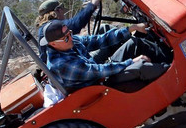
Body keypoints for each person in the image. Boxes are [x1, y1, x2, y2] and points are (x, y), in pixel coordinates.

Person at [40, 19, 171, 90]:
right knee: (140, 66)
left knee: (134, 43)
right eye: (66, 38)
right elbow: (98, 71)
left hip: (100, 73)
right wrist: (131, 61)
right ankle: (172, 73)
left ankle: (170, 57)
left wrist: (131, 28)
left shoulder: (70, 41)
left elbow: (98, 40)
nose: (70, 37)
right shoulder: (61, 64)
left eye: (70, 33)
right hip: (99, 87)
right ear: (53, 44)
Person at [35, 0, 107, 64]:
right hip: (77, 65)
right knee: (111, 45)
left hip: (72, 60)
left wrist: (86, 10)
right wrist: (93, 3)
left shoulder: (44, 28)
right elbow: (76, 24)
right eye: (62, 9)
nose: (63, 12)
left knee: (103, 28)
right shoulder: (53, 28)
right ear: (58, 10)